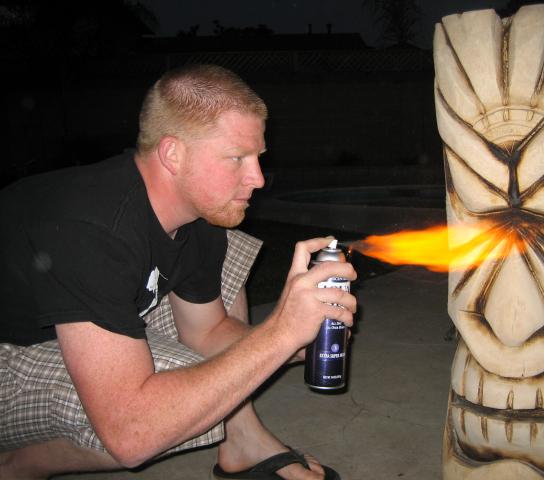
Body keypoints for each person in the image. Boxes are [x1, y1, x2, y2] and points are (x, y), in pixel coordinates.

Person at [0, 64, 356, 480]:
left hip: (67, 317)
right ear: (173, 154)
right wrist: (278, 334)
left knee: (224, 307)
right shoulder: (91, 229)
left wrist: (299, 342)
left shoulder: (195, 213)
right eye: (237, 158)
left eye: (258, 157)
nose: (258, 179)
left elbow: (207, 332)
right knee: (179, 405)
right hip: (8, 353)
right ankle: (21, 463)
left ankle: (243, 443)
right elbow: (133, 433)